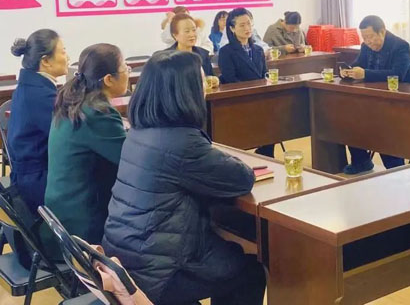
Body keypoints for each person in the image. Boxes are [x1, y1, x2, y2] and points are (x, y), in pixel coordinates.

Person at [102, 50, 265, 305]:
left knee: (228, 250)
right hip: (158, 272)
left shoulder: (139, 131)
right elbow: (242, 178)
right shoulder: (182, 142)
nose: (206, 86)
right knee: (250, 271)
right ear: (184, 92)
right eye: (201, 81)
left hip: (125, 254)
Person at [42, 43, 129, 256]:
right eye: (125, 68)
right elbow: (132, 162)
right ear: (108, 79)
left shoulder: (73, 103)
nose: (128, 71)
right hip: (82, 228)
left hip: (60, 217)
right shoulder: (97, 113)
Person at [341, 15, 410, 174]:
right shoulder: (366, 46)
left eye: (371, 37)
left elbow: (398, 74)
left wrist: (365, 74)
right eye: (365, 38)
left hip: (397, 102)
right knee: (348, 119)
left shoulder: (400, 46)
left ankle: (396, 169)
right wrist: (347, 70)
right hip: (372, 99)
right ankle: (361, 162)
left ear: (382, 31)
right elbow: (358, 64)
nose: (368, 41)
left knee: (383, 127)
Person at [7, 30, 68, 215]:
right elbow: (68, 138)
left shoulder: (31, 87)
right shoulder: (41, 95)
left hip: (27, 179)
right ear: (46, 61)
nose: (67, 57)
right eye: (63, 51)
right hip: (38, 185)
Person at [218, 8, 273, 157]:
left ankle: (267, 153)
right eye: (242, 25)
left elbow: (264, 74)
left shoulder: (258, 50)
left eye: (249, 23)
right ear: (232, 28)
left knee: (273, 113)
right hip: (239, 99)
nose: (247, 28)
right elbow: (230, 79)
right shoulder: (226, 52)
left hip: (260, 97)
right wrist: (252, 90)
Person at [164, 13, 219, 85]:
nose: (192, 34)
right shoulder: (167, 58)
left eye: (194, 30)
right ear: (175, 35)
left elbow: (210, 77)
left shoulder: (203, 54)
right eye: (187, 31)